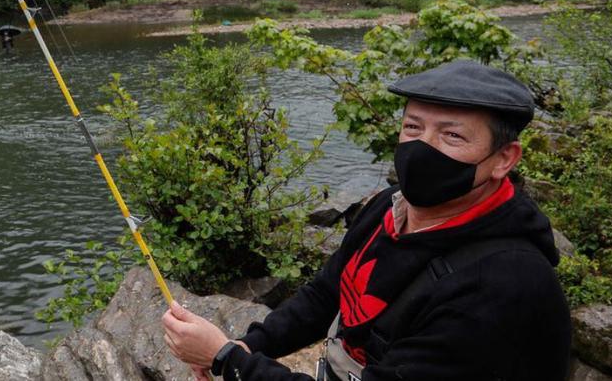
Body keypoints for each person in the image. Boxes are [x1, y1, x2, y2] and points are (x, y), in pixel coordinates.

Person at [162, 60, 571, 380]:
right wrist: (252, 345)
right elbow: (328, 293)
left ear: (504, 159)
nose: (422, 147)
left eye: (452, 136)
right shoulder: (389, 207)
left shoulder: (501, 286)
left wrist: (227, 359)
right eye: (413, 127)